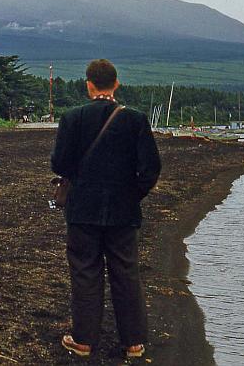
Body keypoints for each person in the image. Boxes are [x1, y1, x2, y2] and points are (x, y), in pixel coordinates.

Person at [50, 59, 161, 359]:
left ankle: (84, 340)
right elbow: (150, 169)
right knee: (126, 271)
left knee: (85, 270)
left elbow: (59, 164)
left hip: (82, 209)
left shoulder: (73, 118)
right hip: (123, 211)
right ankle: (134, 342)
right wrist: (132, 195)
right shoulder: (135, 120)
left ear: (88, 85)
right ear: (116, 84)